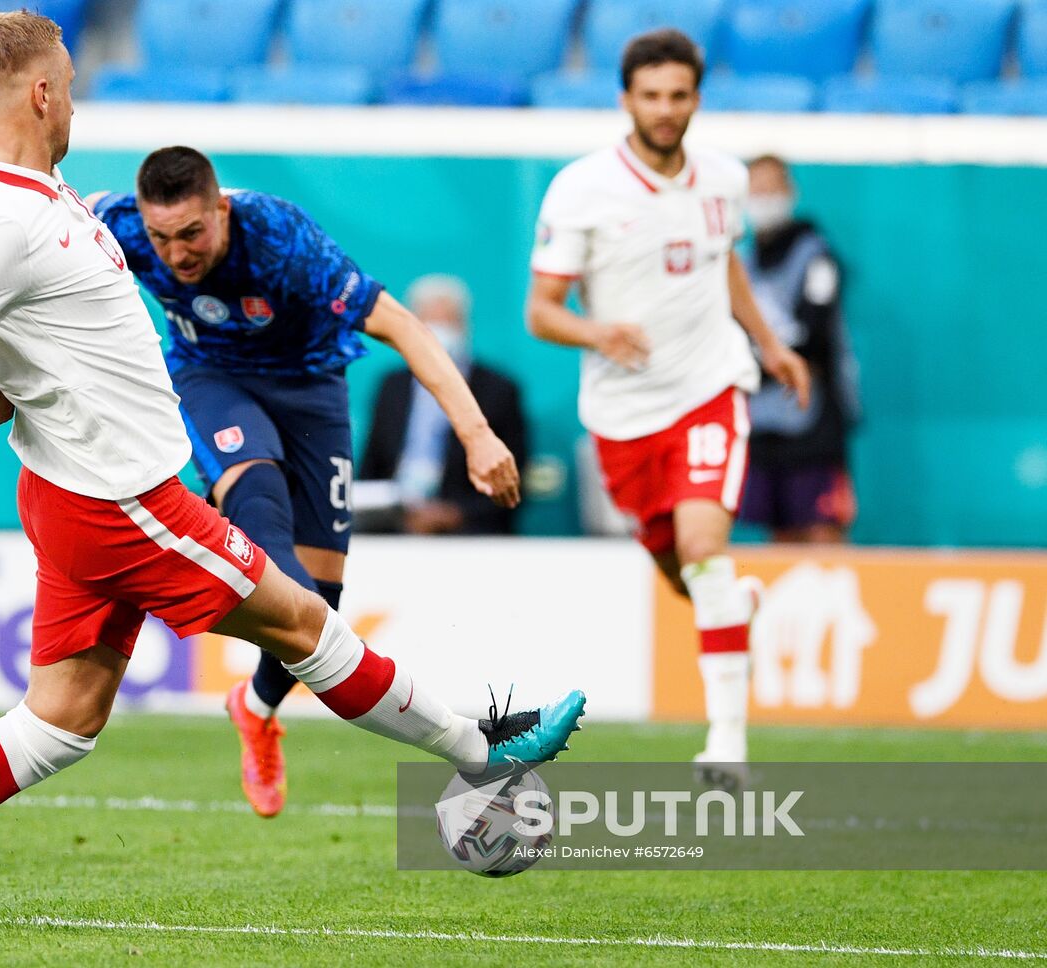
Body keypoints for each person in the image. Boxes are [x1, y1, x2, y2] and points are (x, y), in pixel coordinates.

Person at [0, 11, 583, 921]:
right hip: (125, 504)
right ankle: (481, 748)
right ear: (42, 94)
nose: (72, 98)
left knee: (58, 723)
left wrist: (4, 378)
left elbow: (24, 335)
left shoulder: (42, 194)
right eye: (69, 84)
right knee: (308, 622)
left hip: (81, 492)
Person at [87, 151, 522, 818]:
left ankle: (256, 706)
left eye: (193, 234)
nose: (176, 255)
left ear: (221, 209)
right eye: (161, 238)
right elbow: (32, 252)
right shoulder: (112, 222)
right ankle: (436, 724)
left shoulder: (283, 239)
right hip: (212, 380)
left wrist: (476, 432)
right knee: (260, 504)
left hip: (313, 388)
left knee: (320, 599)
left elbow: (404, 326)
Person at [525, 28, 810, 789]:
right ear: (626, 100)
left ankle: (726, 743)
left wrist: (770, 345)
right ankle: (730, 607)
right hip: (623, 416)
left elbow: (726, 268)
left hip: (710, 388)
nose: (664, 109)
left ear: (695, 99)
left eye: (678, 95)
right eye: (650, 95)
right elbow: (541, 312)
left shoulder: (722, 179)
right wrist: (598, 331)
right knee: (686, 573)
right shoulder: (581, 190)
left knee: (704, 550)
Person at [740, 154, 859, 543]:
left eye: (771, 189)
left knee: (821, 532)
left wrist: (760, 362)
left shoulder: (816, 258)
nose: (762, 198)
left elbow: (815, 340)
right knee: (780, 536)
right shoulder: (742, 264)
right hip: (761, 421)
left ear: (790, 193)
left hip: (814, 422)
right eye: (755, 190)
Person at [360, 274, 529, 535]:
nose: (439, 332)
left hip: (468, 532)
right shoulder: (392, 386)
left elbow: (514, 479)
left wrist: (454, 513)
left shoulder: (498, 389)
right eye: (429, 323)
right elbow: (372, 466)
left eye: (448, 321)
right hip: (394, 528)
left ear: (464, 325)